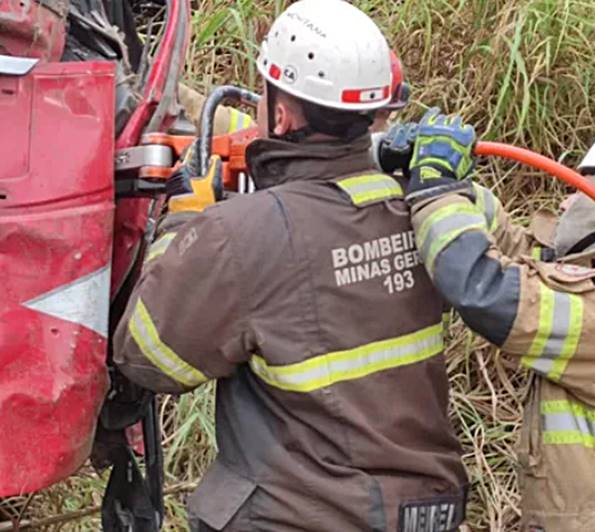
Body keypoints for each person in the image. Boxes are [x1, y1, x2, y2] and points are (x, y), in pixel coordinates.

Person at [113, 1, 468, 530]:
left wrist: (181, 226)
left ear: (280, 113)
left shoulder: (241, 236)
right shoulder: (422, 210)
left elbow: (146, 358)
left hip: (301, 516)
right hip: (423, 511)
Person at [396, 110, 595, 531]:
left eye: (583, 189)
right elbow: (520, 255)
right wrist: (449, 180)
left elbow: (486, 290)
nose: (566, 201)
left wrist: (435, 192)